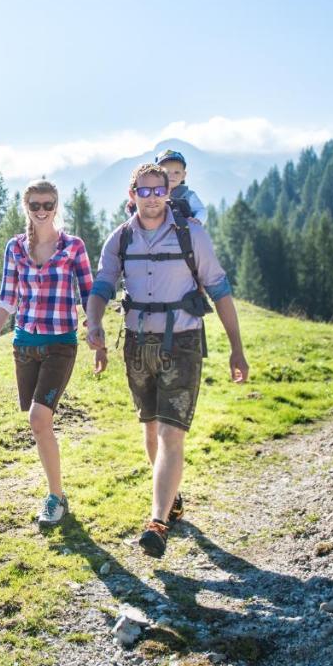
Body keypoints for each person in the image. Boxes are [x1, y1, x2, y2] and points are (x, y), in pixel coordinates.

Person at [85, 163, 248, 557]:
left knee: (171, 434)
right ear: (132, 195)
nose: (153, 197)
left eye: (160, 190)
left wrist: (236, 348)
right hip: (137, 345)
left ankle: (157, 522)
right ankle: (171, 499)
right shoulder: (120, 239)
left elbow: (219, 289)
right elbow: (102, 284)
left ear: (168, 193)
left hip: (184, 342)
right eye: (145, 191)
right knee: (151, 427)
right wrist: (93, 324)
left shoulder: (193, 235)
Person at [0, 179, 96, 527]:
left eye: (48, 204)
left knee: (38, 418)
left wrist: (97, 333)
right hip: (24, 345)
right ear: (26, 208)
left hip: (61, 343)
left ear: (57, 206)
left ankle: (55, 498)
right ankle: (57, 492)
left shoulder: (73, 247)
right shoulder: (15, 248)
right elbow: (7, 297)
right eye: (35, 206)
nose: (42, 211)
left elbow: (90, 295)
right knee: (39, 424)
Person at [154, 148, 207, 222]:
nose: (172, 176)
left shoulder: (188, 195)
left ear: (183, 175)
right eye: (167, 172)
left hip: (181, 231)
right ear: (157, 175)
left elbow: (201, 211)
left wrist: (197, 219)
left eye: (177, 172)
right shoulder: (153, 193)